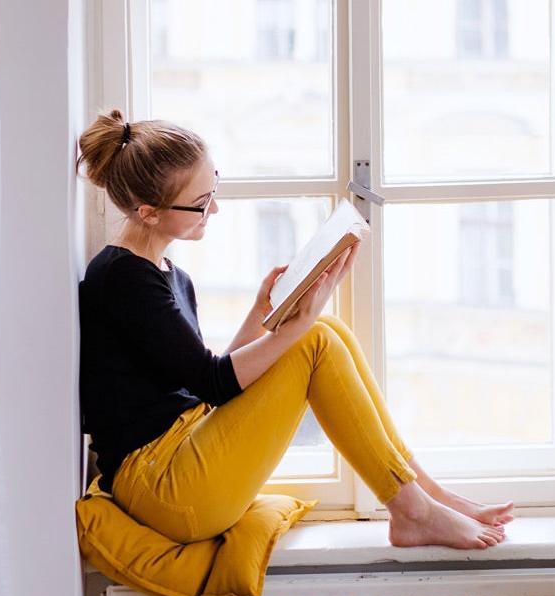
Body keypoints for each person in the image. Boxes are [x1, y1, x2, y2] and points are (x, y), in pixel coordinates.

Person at [76, 109, 514, 550]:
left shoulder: (165, 272)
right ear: (149, 213)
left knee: (328, 330)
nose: (215, 208)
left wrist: (260, 311)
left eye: (215, 188)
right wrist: (296, 325)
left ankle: (428, 496)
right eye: (201, 202)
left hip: (178, 455)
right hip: (163, 489)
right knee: (316, 337)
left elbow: (199, 385)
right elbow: (214, 382)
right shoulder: (122, 278)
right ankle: (413, 511)